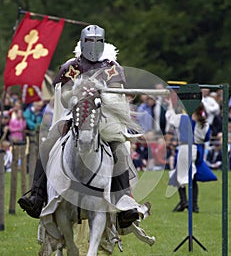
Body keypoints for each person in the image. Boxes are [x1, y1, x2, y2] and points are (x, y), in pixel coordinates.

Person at [18, 24, 149, 228]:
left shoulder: (111, 68)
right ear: (82, 41)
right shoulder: (72, 66)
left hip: (103, 120)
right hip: (75, 117)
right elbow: (64, 96)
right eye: (90, 41)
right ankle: (37, 195)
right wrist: (76, 96)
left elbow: (116, 95)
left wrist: (100, 95)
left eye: (98, 41)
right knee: (47, 145)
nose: (93, 45)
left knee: (120, 151)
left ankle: (124, 203)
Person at [166, 100, 217, 213]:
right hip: (197, 149)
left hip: (185, 149)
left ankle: (185, 202)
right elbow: (207, 138)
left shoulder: (183, 118)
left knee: (179, 176)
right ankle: (193, 205)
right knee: (191, 177)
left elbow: (170, 118)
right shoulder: (204, 123)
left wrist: (170, 104)